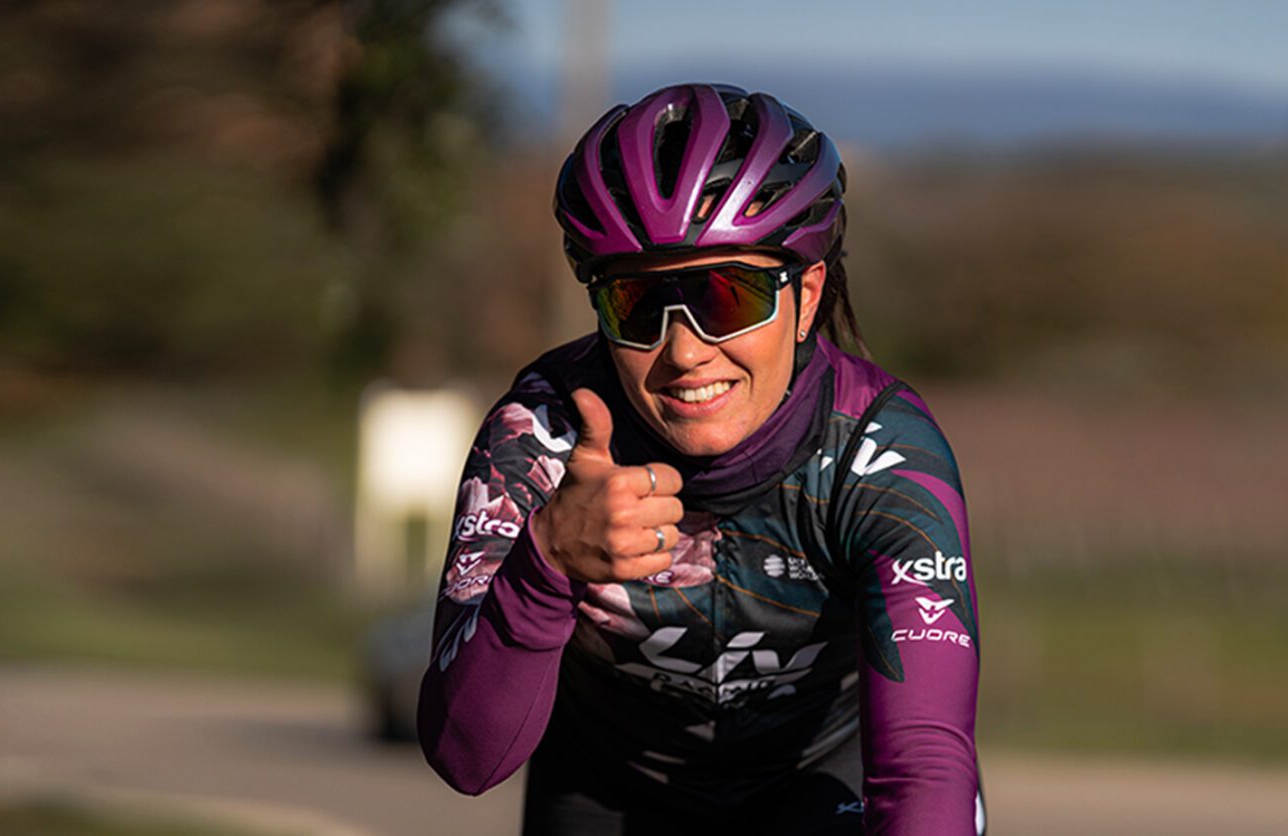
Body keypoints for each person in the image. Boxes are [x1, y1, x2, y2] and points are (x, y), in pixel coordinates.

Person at [418, 83, 983, 835]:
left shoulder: (880, 455)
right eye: (637, 305)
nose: (684, 352)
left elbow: (926, 765)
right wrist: (546, 563)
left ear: (807, 295)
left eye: (729, 296)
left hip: (819, 787)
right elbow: (466, 759)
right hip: (609, 792)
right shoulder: (542, 438)